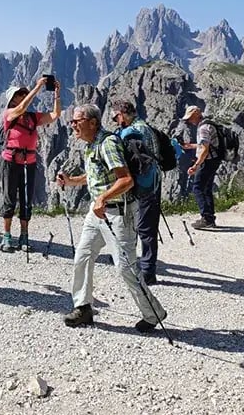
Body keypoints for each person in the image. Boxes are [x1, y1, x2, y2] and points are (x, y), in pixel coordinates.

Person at [56, 103, 167, 333]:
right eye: (72, 121)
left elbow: (126, 179)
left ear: (93, 122)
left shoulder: (108, 143)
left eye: (77, 120)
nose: (73, 125)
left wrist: (103, 198)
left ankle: (153, 313)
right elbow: (96, 176)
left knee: (126, 269)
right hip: (98, 214)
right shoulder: (91, 145)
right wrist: (71, 181)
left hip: (118, 214)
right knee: (82, 257)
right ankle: (83, 307)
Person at [0, 76, 61, 252]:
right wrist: (37, 87)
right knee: (9, 198)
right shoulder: (9, 114)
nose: (23, 94)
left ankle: (24, 236)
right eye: (20, 93)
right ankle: (7, 236)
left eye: (24, 92)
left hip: (29, 161)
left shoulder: (32, 118)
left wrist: (57, 94)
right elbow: (22, 107)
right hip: (11, 161)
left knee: (26, 200)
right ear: (12, 98)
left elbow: (55, 115)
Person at [111, 99, 162, 284]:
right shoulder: (145, 126)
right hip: (153, 181)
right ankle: (146, 268)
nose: (115, 121)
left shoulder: (132, 132)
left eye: (115, 116)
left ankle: (147, 271)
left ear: (122, 114)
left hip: (140, 184)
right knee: (147, 226)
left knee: (139, 226)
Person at [181, 105, 221, 230]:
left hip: (208, 161)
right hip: (214, 159)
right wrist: (191, 146)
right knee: (206, 188)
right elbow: (204, 144)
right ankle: (210, 218)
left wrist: (195, 165)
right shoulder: (208, 124)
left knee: (197, 188)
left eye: (190, 118)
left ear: (196, 115)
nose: (189, 121)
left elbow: (205, 149)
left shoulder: (203, 128)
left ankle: (206, 218)